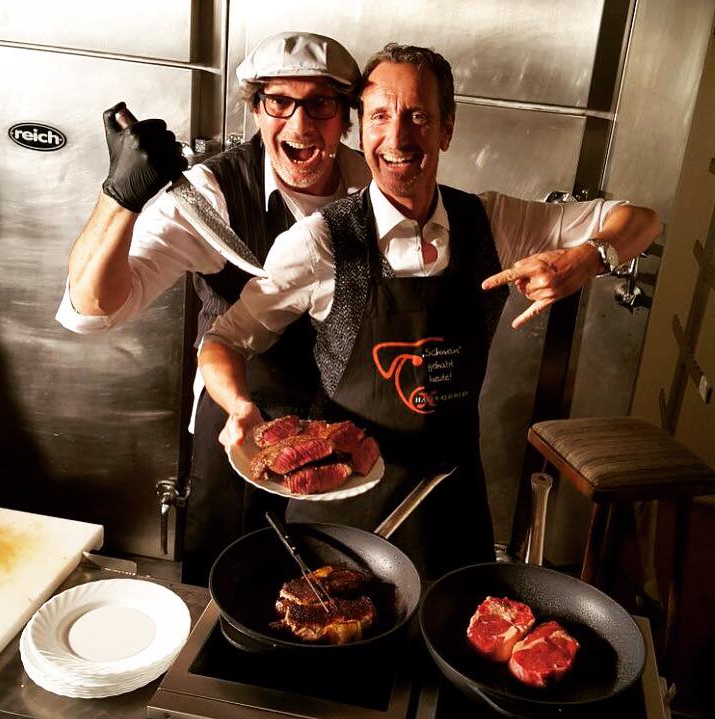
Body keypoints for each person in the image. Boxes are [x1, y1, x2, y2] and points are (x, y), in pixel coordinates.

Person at [199, 43, 662, 579]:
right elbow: (223, 340)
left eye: (418, 116)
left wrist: (585, 260)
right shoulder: (319, 242)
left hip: (452, 506)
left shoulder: (491, 222)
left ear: (447, 129)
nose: (397, 138)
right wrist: (238, 406)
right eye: (379, 116)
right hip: (342, 510)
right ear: (361, 131)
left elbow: (641, 219)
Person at [56, 31, 371, 585]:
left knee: (342, 579)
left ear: (346, 116)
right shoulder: (212, 194)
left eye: (321, 104)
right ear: (257, 108)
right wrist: (119, 197)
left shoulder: (375, 186)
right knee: (229, 583)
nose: (300, 124)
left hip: (350, 415)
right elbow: (91, 307)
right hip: (239, 410)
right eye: (279, 102)